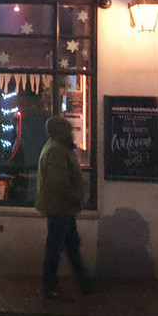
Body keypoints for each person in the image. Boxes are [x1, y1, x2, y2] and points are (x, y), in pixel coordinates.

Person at [35, 115, 96, 300]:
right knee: (57, 247)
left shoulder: (58, 148)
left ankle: (84, 282)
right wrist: (76, 197)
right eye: (68, 130)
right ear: (61, 132)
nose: (71, 133)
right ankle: (50, 287)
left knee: (70, 245)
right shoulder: (57, 150)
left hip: (63, 207)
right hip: (60, 207)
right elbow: (59, 182)